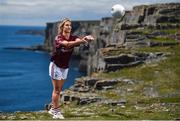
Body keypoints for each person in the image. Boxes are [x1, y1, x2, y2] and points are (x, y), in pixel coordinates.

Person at [48, 18, 94, 119]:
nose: (69, 27)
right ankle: (56, 112)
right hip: (55, 66)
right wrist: (82, 41)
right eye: (67, 25)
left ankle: (52, 108)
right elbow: (68, 44)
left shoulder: (74, 37)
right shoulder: (58, 38)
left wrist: (84, 39)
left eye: (70, 25)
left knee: (59, 89)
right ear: (62, 27)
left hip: (65, 67)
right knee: (56, 90)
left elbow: (77, 41)